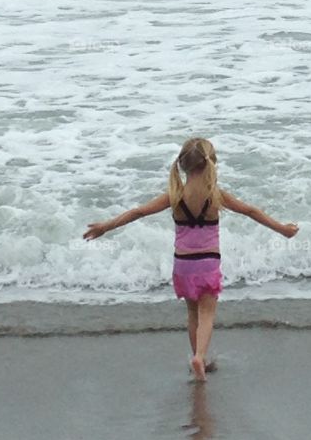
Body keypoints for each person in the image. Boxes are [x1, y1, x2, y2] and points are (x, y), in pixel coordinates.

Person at [83, 137, 298, 380]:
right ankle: (200, 358)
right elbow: (250, 211)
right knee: (207, 314)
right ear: (210, 164)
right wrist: (282, 229)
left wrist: (105, 226)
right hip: (208, 262)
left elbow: (138, 212)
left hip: (182, 265)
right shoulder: (215, 195)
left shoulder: (175, 195)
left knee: (193, 314)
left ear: (183, 165)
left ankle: (197, 355)